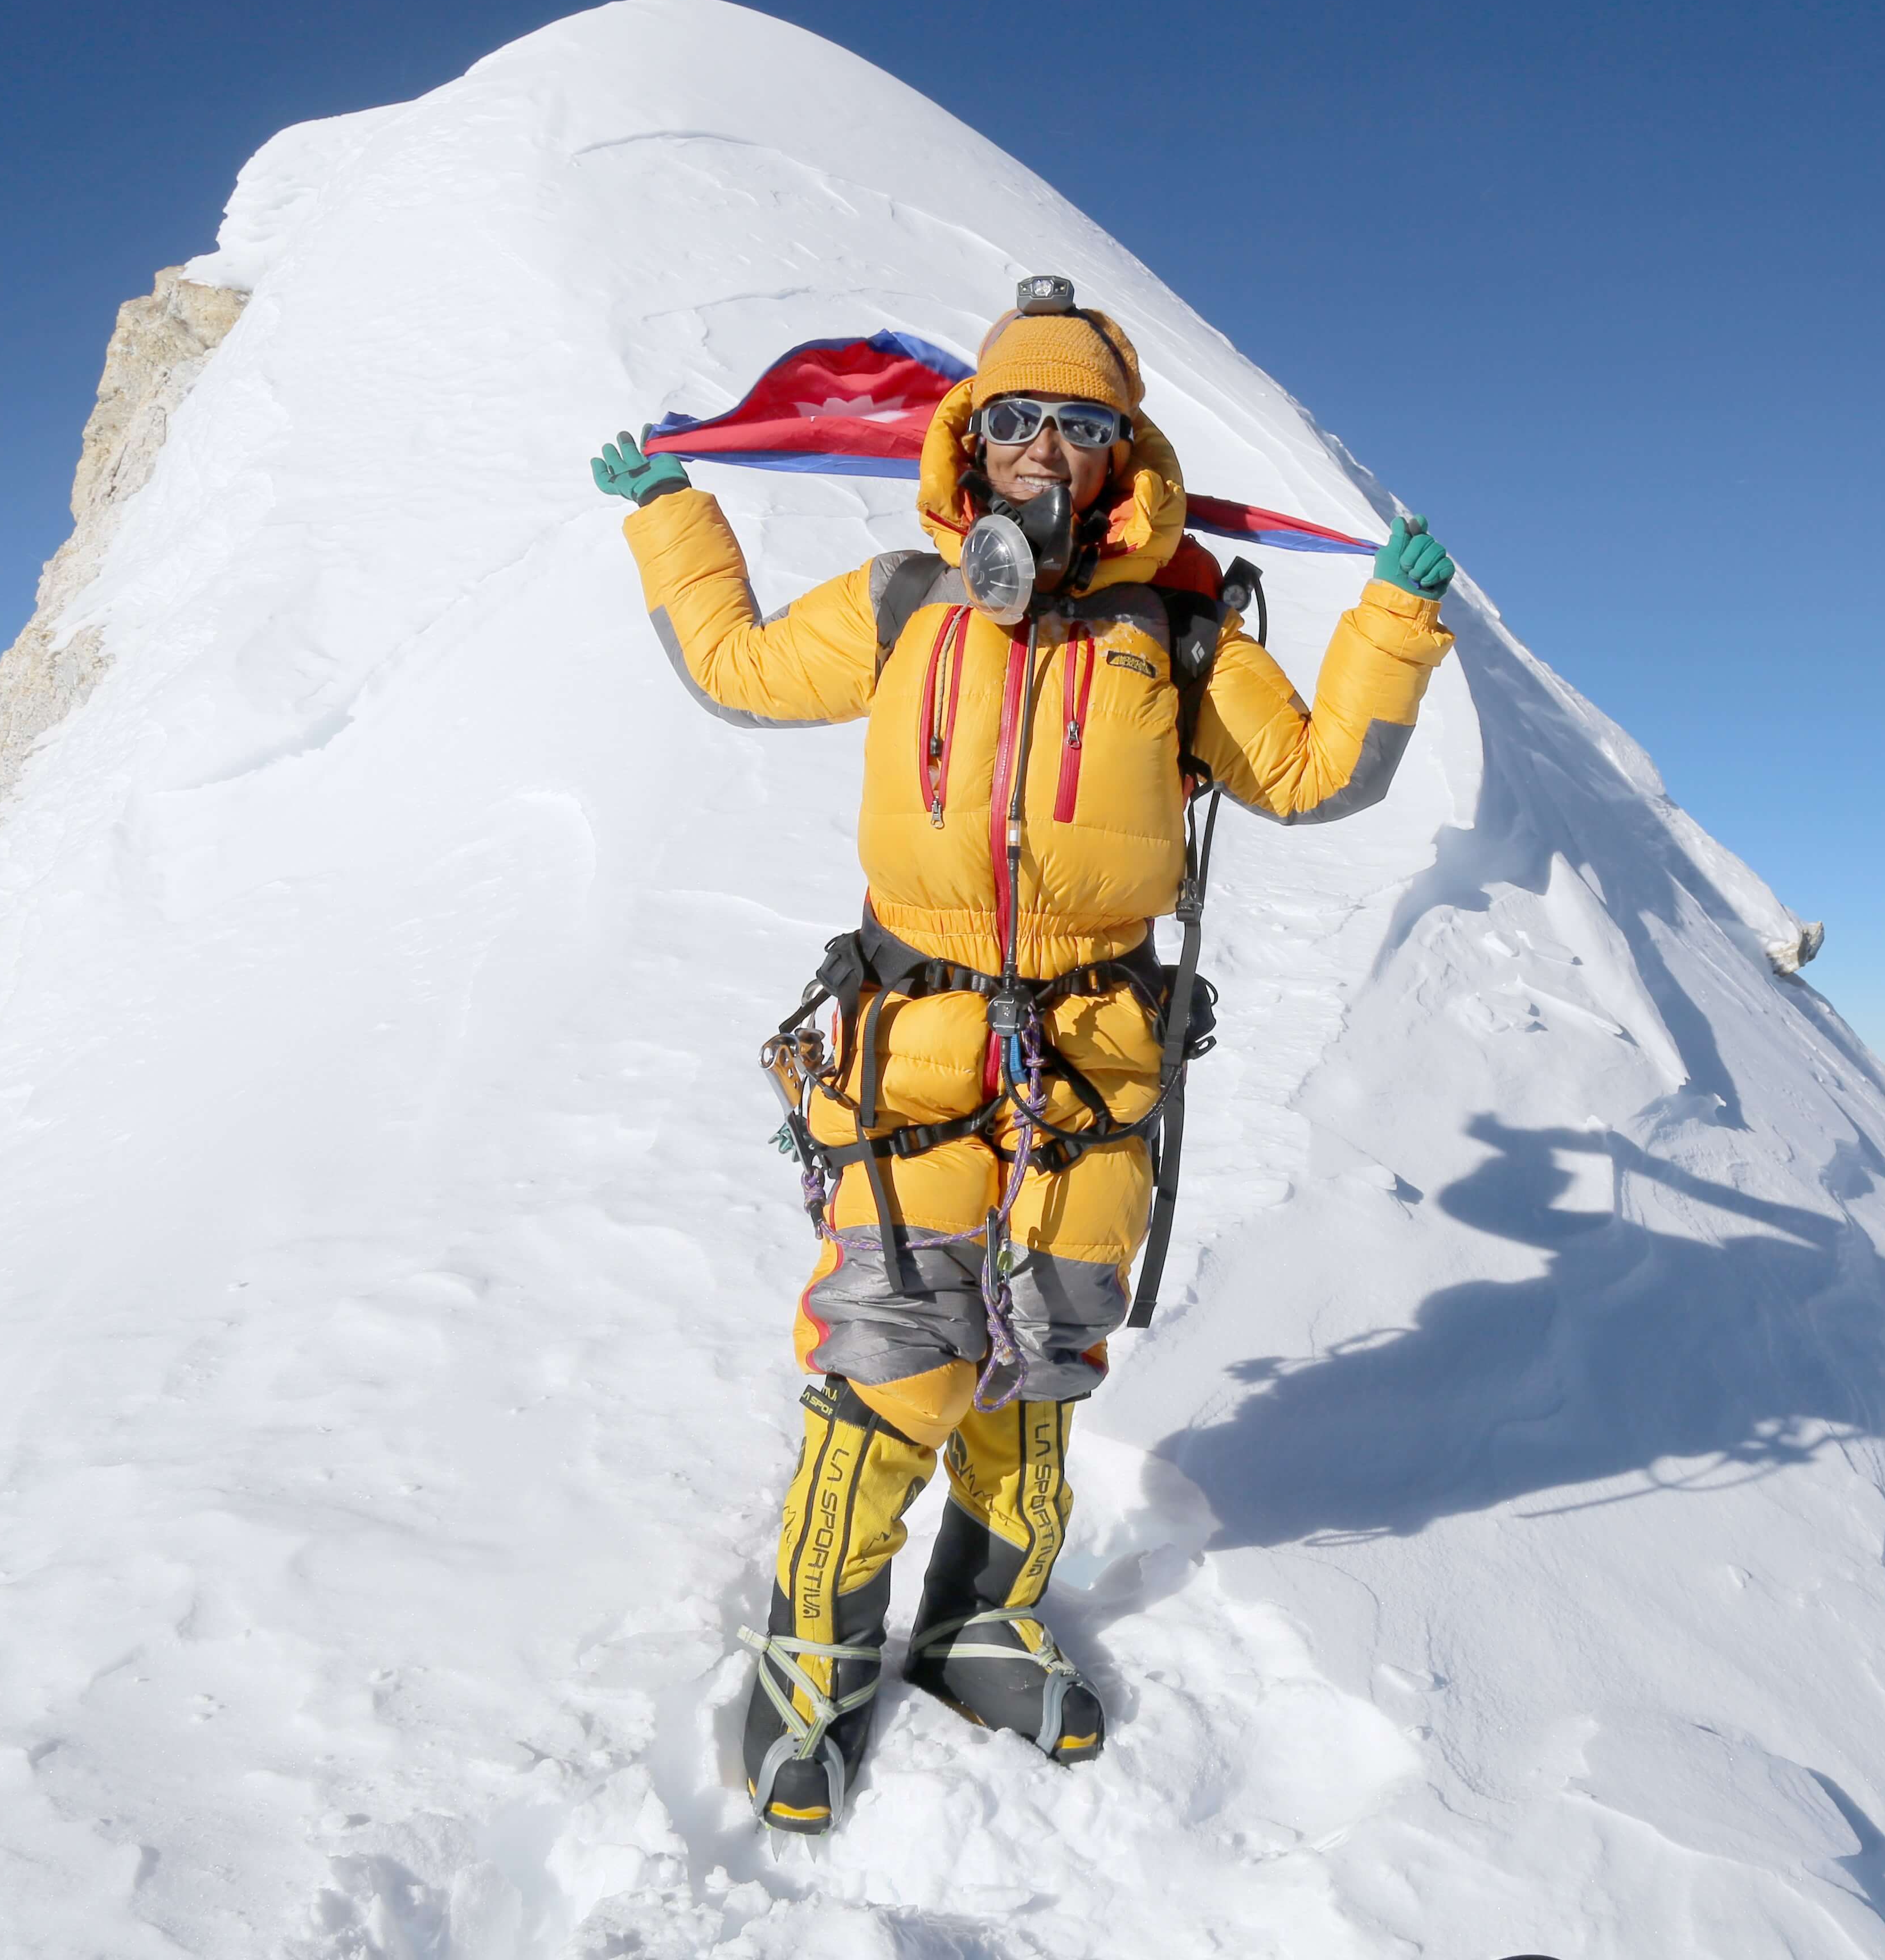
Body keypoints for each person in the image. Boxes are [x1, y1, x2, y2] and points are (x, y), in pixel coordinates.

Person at [595, 278, 1459, 1832]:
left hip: (1097, 1057)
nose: (1041, 450)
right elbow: (732, 668)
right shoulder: (901, 602)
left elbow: (1319, 777)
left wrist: (1394, 623)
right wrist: (671, 515)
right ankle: (815, 1654)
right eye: (1014, 420)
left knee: (1044, 1359)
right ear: (968, 440)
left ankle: (977, 1620)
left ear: (1123, 453)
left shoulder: (1181, 635)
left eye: (1078, 423)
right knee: (894, 1355)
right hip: (912, 1042)